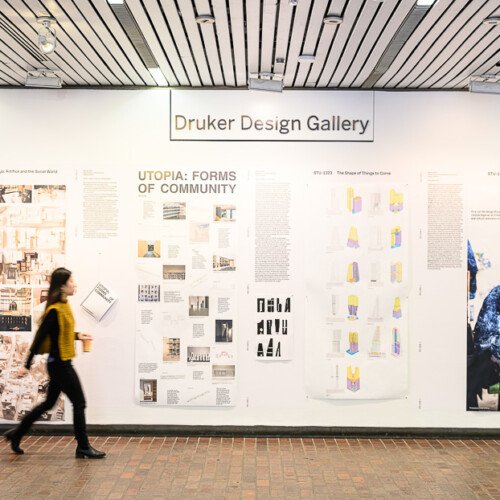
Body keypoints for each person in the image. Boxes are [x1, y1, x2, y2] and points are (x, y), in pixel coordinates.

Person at [3, 268, 105, 458]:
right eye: (71, 281)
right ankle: (83, 446)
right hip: (60, 365)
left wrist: (77, 336)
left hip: (61, 363)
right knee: (80, 403)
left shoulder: (64, 306)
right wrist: (26, 363)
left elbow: (61, 333)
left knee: (49, 403)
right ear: (62, 286)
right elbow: (40, 338)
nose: (75, 284)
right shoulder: (54, 310)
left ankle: (16, 433)